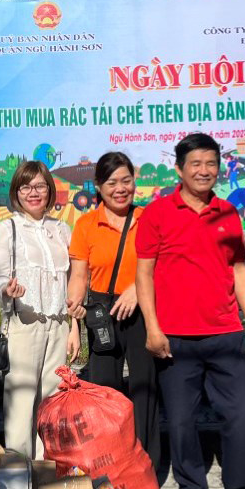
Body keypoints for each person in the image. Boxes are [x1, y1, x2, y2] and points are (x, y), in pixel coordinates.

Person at [136, 133, 245, 489]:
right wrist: (153, 328)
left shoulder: (228, 213)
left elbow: (238, 269)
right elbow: (143, 275)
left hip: (225, 333)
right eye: (196, 163)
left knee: (241, 416)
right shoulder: (157, 214)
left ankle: (242, 488)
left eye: (211, 163)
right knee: (180, 422)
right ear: (180, 169)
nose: (204, 170)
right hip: (175, 339)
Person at [65, 151, 160, 469]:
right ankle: (109, 460)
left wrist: (137, 288)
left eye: (126, 180)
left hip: (143, 310)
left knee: (144, 388)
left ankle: (145, 462)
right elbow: (79, 275)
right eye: (111, 182)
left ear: (135, 181)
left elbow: (163, 264)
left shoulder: (148, 218)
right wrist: (74, 321)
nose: (120, 188)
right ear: (98, 186)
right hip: (102, 313)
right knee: (104, 390)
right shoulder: (87, 225)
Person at [0, 160, 74, 459]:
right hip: (24, 324)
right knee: (21, 405)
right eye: (25, 186)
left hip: (58, 324)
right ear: (16, 192)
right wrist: (5, 289)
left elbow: (73, 279)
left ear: (50, 190)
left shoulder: (62, 230)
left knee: (52, 404)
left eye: (39, 186)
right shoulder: (6, 228)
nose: (33, 192)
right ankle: (17, 482)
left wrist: (74, 326)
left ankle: (46, 476)